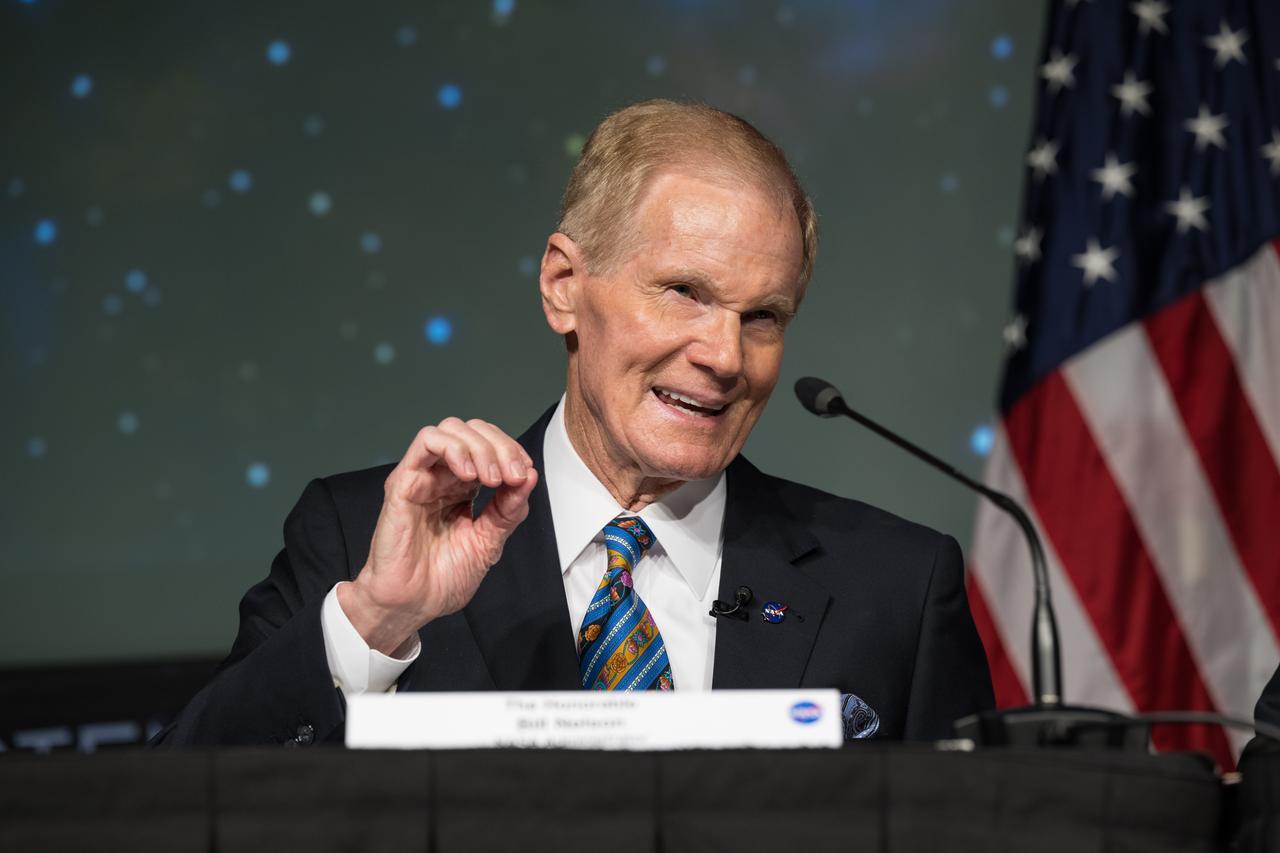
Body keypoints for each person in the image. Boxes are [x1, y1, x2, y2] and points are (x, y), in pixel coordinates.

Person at [155, 100, 993, 747]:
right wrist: (375, 621)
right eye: (685, 293)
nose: (728, 356)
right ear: (563, 284)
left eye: (764, 315)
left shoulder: (898, 589)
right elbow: (180, 806)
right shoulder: (356, 539)